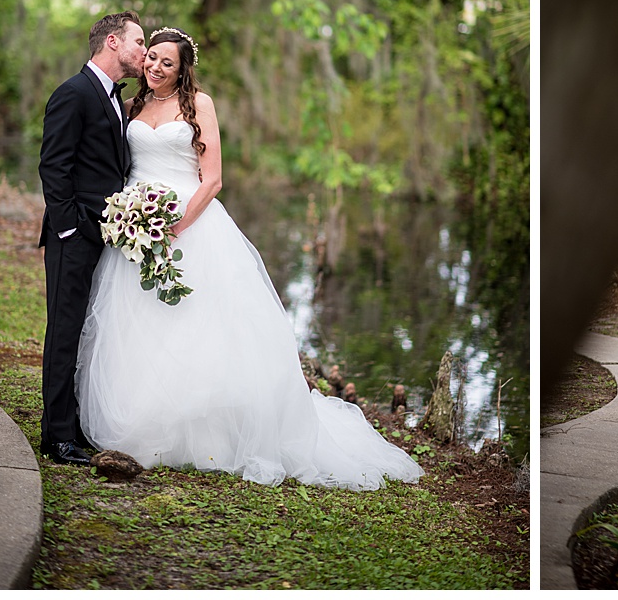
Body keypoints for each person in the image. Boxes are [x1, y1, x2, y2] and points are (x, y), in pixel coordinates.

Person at [75, 27, 424, 489]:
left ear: (182, 71)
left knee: (196, 324)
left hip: (188, 224)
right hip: (136, 228)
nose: (157, 67)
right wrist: (132, 218)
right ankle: (143, 419)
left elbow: (213, 179)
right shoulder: (131, 106)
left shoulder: (199, 104)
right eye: (152, 57)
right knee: (135, 322)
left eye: (168, 63)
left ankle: (204, 429)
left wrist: (176, 226)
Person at [39, 11, 147, 465]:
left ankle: (75, 427)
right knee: (64, 331)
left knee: (85, 331)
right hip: (73, 234)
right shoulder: (74, 92)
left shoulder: (114, 99)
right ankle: (56, 437)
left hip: (102, 234)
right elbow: (54, 166)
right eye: (139, 42)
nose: (144, 51)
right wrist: (68, 226)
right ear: (112, 42)